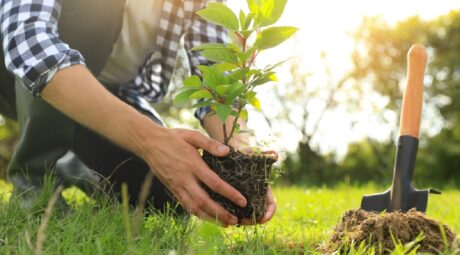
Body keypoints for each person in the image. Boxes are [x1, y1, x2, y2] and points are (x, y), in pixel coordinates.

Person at [0, 0, 276, 227]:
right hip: (17, 73)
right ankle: (33, 179)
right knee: (94, 12)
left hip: (108, 96)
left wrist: (239, 148)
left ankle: (74, 164)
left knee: (167, 197)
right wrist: (152, 141)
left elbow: (214, 78)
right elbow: (29, 43)